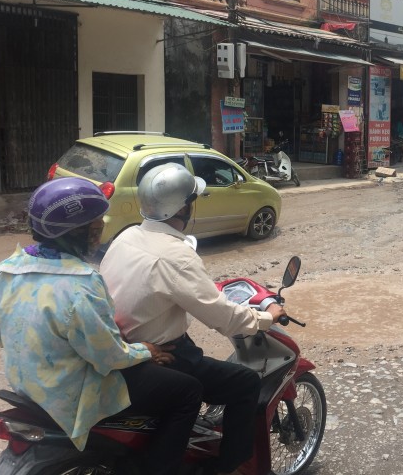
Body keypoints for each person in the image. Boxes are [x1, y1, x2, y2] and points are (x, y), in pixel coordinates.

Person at [0, 178, 200, 474]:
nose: (99, 236)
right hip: (71, 392)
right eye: (96, 229)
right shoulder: (81, 283)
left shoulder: (5, 270)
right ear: (76, 233)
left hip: (27, 385)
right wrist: (147, 350)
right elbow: (109, 357)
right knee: (186, 391)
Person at [100, 163, 287, 475]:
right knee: (245, 382)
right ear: (183, 207)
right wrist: (266, 317)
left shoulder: (128, 235)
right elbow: (225, 319)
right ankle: (228, 465)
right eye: (191, 201)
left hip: (123, 346)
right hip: (162, 356)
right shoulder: (177, 256)